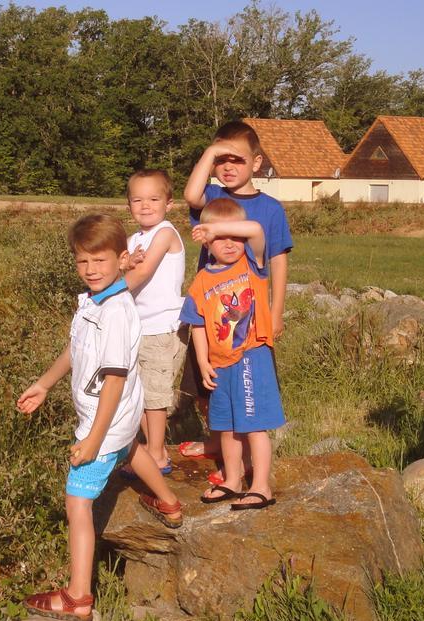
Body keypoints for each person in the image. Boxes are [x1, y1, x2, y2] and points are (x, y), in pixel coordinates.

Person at [17, 214, 183, 621]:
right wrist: (44, 383)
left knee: (77, 503)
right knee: (132, 449)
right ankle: (170, 503)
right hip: (121, 423)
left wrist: (92, 439)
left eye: (100, 261)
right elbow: (76, 350)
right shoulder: (95, 301)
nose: (90, 270)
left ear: (121, 259)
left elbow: (113, 379)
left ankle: (78, 596)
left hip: (104, 420)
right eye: (82, 262)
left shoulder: (114, 311)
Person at [179, 120, 294, 482]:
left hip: (250, 319)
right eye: (220, 160)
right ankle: (217, 442)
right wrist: (210, 152)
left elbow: (277, 259)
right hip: (212, 312)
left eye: (237, 160)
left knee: (246, 386)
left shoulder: (270, 209)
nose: (228, 167)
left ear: (256, 163)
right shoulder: (213, 198)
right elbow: (190, 195)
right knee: (204, 383)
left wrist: (276, 311)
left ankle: (244, 459)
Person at [179, 198, 285, 510]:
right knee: (225, 426)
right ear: (205, 242)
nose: (229, 244)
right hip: (219, 363)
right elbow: (197, 323)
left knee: (253, 425)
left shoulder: (252, 264)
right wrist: (201, 361)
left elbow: (254, 228)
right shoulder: (201, 281)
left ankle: (261, 486)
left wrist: (215, 227)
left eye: (234, 237)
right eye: (219, 239)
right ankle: (233, 479)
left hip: (251, 356)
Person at [118, 169, 186, 478]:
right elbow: (124, 266)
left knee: (156, 396)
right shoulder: (135, 238)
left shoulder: (166, 233)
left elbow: (142, 274)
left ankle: (157, 454)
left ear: (169, 203)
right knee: (140, 392)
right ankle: (149, 447)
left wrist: (107, 293)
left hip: (162, 327)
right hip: (139, 326)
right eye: (137, 200)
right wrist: (124, 263)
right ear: (129, 204)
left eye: (154, 199)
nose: (145, 206)